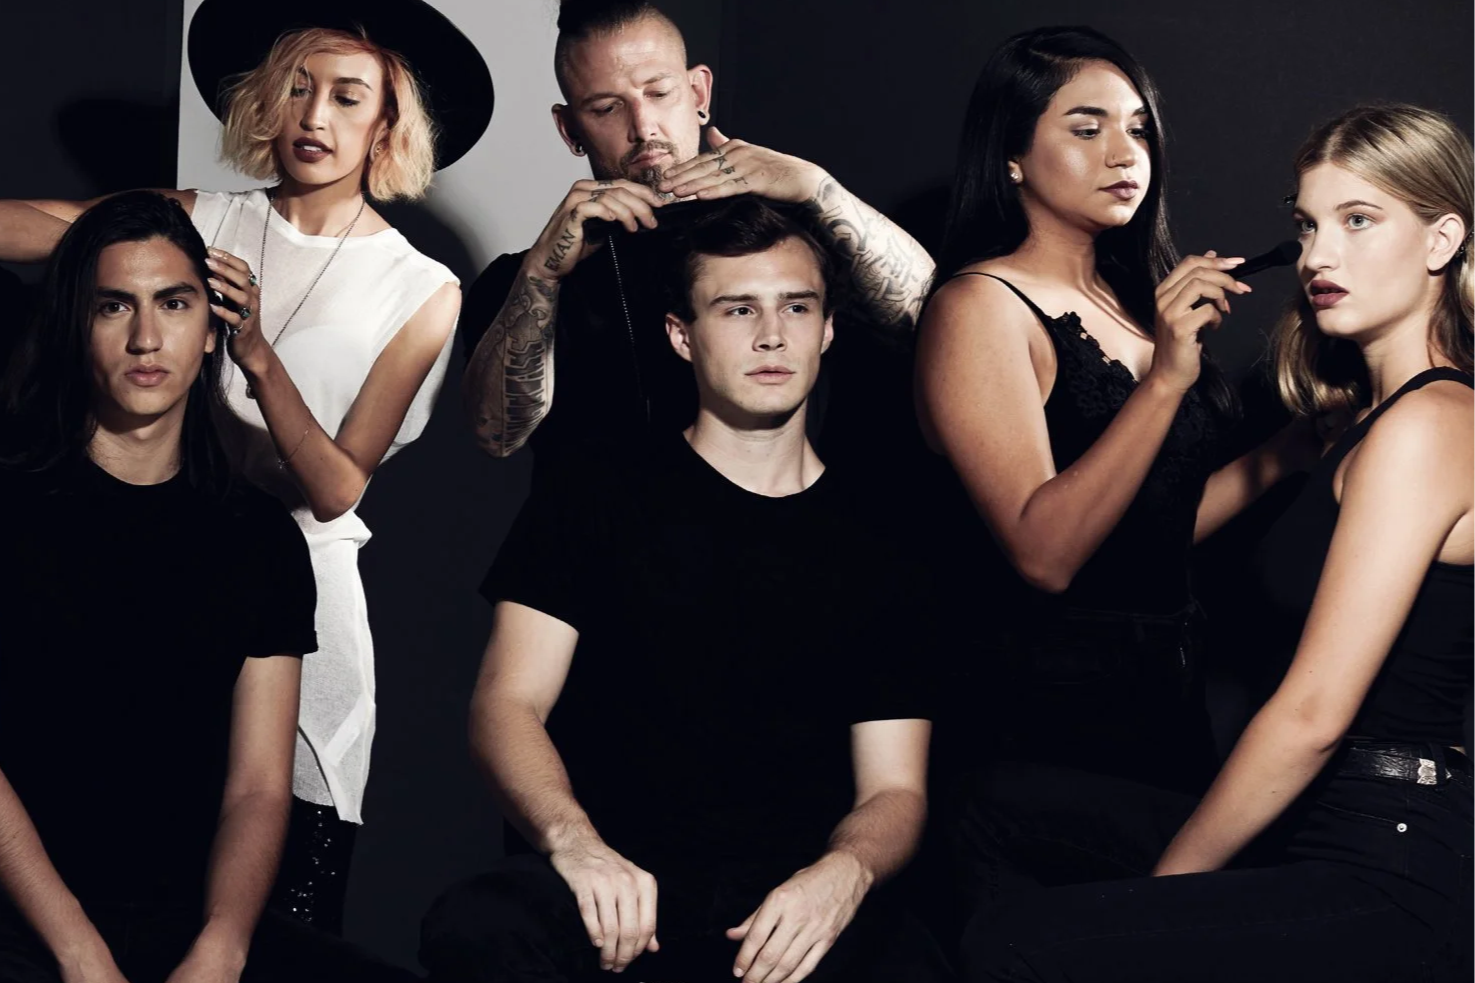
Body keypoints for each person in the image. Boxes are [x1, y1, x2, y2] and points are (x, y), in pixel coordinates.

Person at [0, 0, 493, 932]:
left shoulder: (421, 288)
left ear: (387, 123)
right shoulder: (206, 218)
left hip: (301, 584)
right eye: (298, 89)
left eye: (348, 97)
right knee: (120, 818)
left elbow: (340, 485)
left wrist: (256, 354)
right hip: (162, 549)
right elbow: (50, 226)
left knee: (282, 892)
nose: (314, 117)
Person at [962, 101, 1475, 983]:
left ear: (1439, 243)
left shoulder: (1429, 424)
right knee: (988, 808)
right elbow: (1137, 547)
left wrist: (1163, 893)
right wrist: (1204, 404)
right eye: (1308, 225)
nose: (1317, 256)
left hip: (1388, 855)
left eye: (1358, 221)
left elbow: (1312, 717)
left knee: (1013, 947)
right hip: (1317, 820)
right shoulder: (1361, 423)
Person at [420, 198, 949, 983]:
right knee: (478, 927)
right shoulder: (595, 492)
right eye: (737, 309)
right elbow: (505, 705)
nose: (771, 336)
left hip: (783, 905)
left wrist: (844, 873)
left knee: (918, 964)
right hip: (617, 893)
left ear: (828, 328)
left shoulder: (881, 536)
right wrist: (577, 844)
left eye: (795, 307)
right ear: (681, 335)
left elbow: (896, 788)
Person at [914, 25, 1314, 921]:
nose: (1122, 153)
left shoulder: (1135, 305)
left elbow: (1151, 524)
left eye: (1137, 128)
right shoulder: (979, 307)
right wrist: (1168, 377)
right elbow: (1042, 551)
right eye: (1085, 127)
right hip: (1040, 718)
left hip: (1163, 701)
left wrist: (1290, 453)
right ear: (1012, 154)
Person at [0, 191, 414, 983]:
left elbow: (259, 784)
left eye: (175, 303)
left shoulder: (258, 539)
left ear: (213, 326)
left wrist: (221, 948)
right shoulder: (13, 510)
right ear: (72, 326)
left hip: (185, 925)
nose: (147, 338)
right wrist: (79, 952)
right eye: (112, 306)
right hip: (25, 921)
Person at [461, 0, 935, 472]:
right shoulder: (528, 280)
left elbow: (937, 320)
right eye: (607, 108)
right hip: (596, 541)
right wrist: (542, 275)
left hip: (784, 533)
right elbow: (498, 435)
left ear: (699, 93)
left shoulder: (798, 242)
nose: (643, 128)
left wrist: (819, 189)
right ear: (570, 130)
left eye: (659, 93)